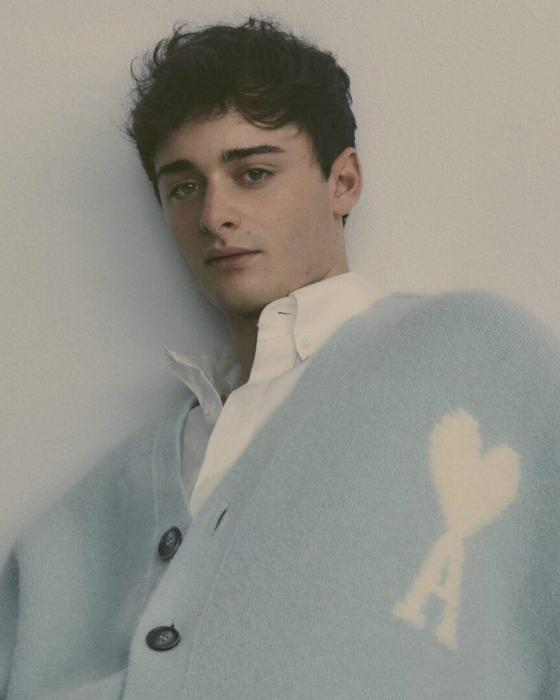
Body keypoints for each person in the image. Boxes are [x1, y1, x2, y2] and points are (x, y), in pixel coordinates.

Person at [1, 16, 560, 700]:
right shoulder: (85, 519)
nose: (215, 215)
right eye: (184, 187)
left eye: (254, 173)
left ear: (343, 181)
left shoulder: (472, 357)